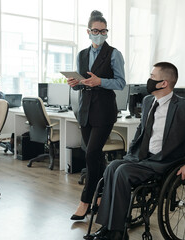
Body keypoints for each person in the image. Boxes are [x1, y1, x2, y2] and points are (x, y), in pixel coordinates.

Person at [91, 62, 185, 240]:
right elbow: (141, 131)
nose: (148, 80)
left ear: (163, 83)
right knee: (113, 167)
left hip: (163, 162)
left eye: (152, 77)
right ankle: (107, 227)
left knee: (122, 172)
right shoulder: (148, 101)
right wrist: (129, 155)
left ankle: (117, 233)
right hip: (140, 158)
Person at [67, 10, 126, 220]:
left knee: (91, 154)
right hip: (85, 111)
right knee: (97, 157)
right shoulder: (81, 54)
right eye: (95, 30)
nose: (99, 34)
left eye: (103, 31)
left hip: (104, 111)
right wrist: (75, 84)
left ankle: (85, 201)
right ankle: (103, 197)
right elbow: (80, 85)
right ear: (88, 31)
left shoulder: (114, 54)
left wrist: (100, 81)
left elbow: (121, 83)